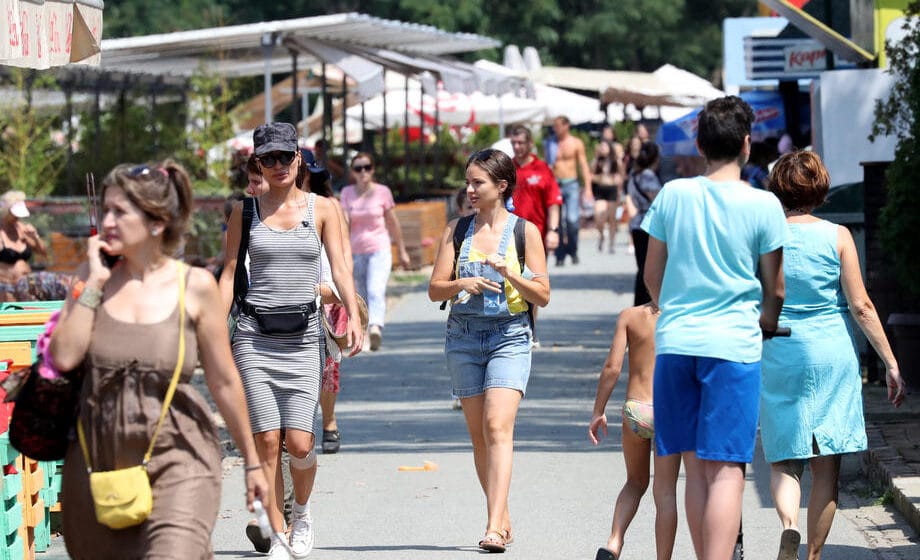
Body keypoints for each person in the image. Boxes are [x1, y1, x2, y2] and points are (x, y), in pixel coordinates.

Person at [48, 160, 270, 559]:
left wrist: (253, 464)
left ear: (156, 222)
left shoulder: (195, 286)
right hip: (98, 463)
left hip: (177, 455)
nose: (108, 221)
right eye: (107, 209)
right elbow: (63, 356)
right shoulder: (89, 277)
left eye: (121, 211)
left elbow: (223, 381)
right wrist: (94, 284)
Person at [642, 95, 788, 560]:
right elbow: (777, 288)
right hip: (734, 346)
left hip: (676, 343)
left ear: (700, 143)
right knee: (727, 469)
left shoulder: (673, 195)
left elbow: (651, 275)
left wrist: (672, 307)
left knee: (694, 466)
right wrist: (766, 321)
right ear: (747, 144)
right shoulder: (764, 204)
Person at [219, 122, 364, 560]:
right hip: (253, 337)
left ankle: (301, 514)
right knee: (267, 440)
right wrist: (212, 329)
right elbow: (228, 275)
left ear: (299, 159)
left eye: (286, 157)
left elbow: (340, 268)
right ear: (258, 163)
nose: (279, 165)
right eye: (269, 158)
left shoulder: (322, 210)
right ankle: (279, 534)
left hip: (303, 338)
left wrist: (352, 315)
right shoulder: (244, 212)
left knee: (300, 443)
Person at [761, 151, 907, 560]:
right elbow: (861, 305)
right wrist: (891, 362)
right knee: (828, 467)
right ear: (819, 188)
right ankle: (812, 556)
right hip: (831, 352)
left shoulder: (766, 237)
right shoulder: (838, 235)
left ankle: (789, 525)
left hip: (780, 349)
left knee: (785, 459)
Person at [428, 148, 550, 553]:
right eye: (468, 182)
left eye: (478, 182)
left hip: (510, 336)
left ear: (501, 186)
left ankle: (493, 526)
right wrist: (461, 284)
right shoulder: (456, 231)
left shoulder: (524, 233)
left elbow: (544, 296)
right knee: (480, 437)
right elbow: (434, 289)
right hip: (463, 337)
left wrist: (511, 274)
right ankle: (502, 515)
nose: (470, 190)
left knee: (498, 427)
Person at [589, 302, 680, 560]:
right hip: (669, 413)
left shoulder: (630, 316)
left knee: (634, 481)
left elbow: (612, 368)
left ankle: (614, 542)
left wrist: (598, 411)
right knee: (665, 493)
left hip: (636, 410)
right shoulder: (687, 316)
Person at [339, 152, 411, 351]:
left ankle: (376, 327)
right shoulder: (347, 193)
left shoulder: (382, 192)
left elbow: (393, 222)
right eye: (358, 168)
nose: (363, 172)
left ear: (373, 169)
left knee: (375, 289)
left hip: (379, 248)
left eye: (367, 167)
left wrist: (402, 250)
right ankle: (363, 334)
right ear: (353, 172)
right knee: (360, 294)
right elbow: (343, 223)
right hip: (355, 250)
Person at [551, 116, 592, 266]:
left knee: (572, 220)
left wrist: (588, 187)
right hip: (555, 184)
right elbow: (548, 164)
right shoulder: (551, 143)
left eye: (558, 126)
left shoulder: (575, 143)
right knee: (557, 222)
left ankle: (573, 249)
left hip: (571, 184)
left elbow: (583, 165)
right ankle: (560, 254)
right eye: (554, 126)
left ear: (566, 125)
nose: (555, 129)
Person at [626, 142, 662, 306]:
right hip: (649, 224)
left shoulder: (633, 175)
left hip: (636, 224)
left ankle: (639, 302)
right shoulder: (648, 175)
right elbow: (657, 199)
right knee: (648, 267)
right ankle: (645, 301)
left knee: (641, 266)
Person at [0, 190, 49, 301]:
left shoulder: (21, 228)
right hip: (5, 287)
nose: (17, 218)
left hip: (27, 283)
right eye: (14, 215)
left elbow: (43, 252)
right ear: (6, 212)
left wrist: (35, 236)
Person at [591, 140, 626, 254]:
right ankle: (601, 235)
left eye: (605, 146)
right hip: (600, 190)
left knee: (612, 218)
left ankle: (611, 243)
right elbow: (590, 175)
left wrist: (619, 186)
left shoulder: (616, 162)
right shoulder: (596, 162)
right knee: (598, 215)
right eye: (601, 146)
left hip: (612, 190)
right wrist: (599, 178)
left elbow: (622, 176)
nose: (603, 148)